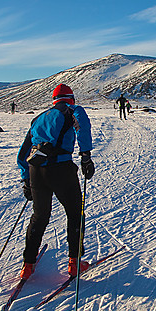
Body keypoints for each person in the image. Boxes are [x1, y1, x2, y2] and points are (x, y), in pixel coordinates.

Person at [17, 84, 95, 279]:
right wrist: (86, 156)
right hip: (61, 170)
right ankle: (74, 263)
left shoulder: (39, 117)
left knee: (40, 216)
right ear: (71, 98)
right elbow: (82, 127)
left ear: (54, 100)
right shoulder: (72, 110)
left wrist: (26, 179)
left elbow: (25, 151)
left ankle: (28, 265)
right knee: (75, 213)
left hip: (36, 172)